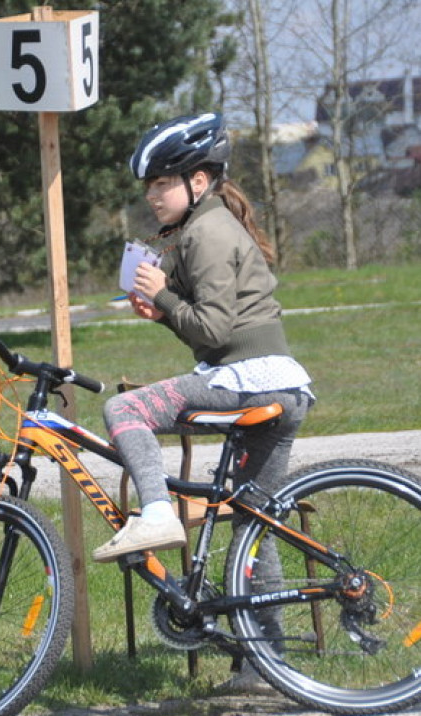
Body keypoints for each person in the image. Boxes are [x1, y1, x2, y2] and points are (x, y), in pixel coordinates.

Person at [93, 112, 314, 564]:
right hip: (282, 386)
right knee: (254, 530)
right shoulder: (210, 225)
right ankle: (263, 636)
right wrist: (163, 312)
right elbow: (215, 332)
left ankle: (156, 513)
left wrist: (166, 299)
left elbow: (212, 329)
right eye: (147, 186)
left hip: (248, 379)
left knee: (124, 408)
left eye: (161, 183)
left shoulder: (207, 233)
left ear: (198, 179)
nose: (151, 195)